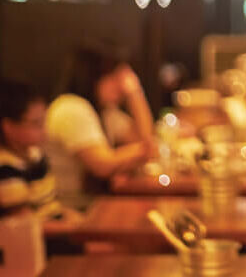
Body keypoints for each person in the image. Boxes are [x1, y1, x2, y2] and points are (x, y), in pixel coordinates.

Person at [44, 43, 154, 208]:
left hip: (91, 206)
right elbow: (103, 164)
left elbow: (144, 137)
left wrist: (135, 93)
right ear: (92, 76)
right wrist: (141, 150)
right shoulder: (71, 107)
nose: (121, 85)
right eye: (114, 77)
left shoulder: (105, 111)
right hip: (70, 213)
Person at [0, 81, 62, 219]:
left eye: (44, 122)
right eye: (36, 124)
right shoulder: (5, 168)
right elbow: (25, 225)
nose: (44, 130)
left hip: (57, 228)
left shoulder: (36, 155)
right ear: (8, 126)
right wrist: (75, 229)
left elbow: (51, 206)